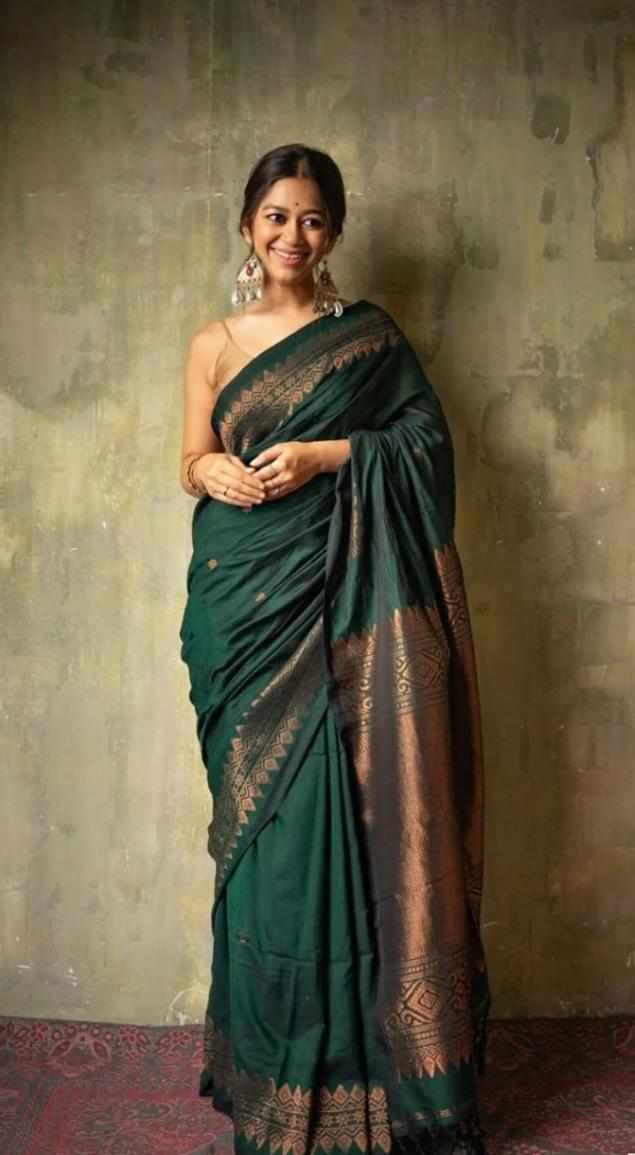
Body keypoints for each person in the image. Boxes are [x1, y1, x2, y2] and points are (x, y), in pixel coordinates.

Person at [178, 142, 491, 1155]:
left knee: (342, 825)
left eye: (311, 218)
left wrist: (329, 454)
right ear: (247, 226)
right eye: (275, 216)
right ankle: (270, 1070)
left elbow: (425, 446)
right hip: (242, 602)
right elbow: (189, 455)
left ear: (333, 232)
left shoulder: (368, 340)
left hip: (345, 601)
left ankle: (357, 1078)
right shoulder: (213, 342)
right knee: (264, 843)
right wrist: (210, 473)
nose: (292, 235)